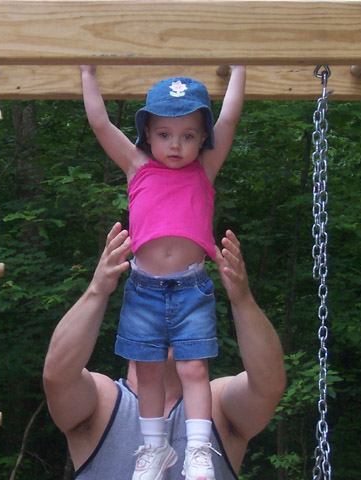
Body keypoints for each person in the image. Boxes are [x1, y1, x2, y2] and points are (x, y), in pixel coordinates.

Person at [78, 65, 246, 480]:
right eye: (165, 134)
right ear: (148, 135)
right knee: (148, 372)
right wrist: (87, 73)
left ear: (203, 138)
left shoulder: (204, 169)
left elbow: (228, 118)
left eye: (188, 136)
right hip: (143, 289)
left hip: (191, 288)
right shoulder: (137, 167)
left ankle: (198, 450)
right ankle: (154, 449)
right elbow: (100, 124)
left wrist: (240, 67)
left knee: (193, 369)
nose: (175, 144)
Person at [43, 223, 286, 480]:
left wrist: (242, 300)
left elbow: (269, 384)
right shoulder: (104, 404)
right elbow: (58, 376)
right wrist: (97, 291)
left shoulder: (218, 408)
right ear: (132, 330)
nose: (168, 321)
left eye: (181, 312)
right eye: (156, 312)